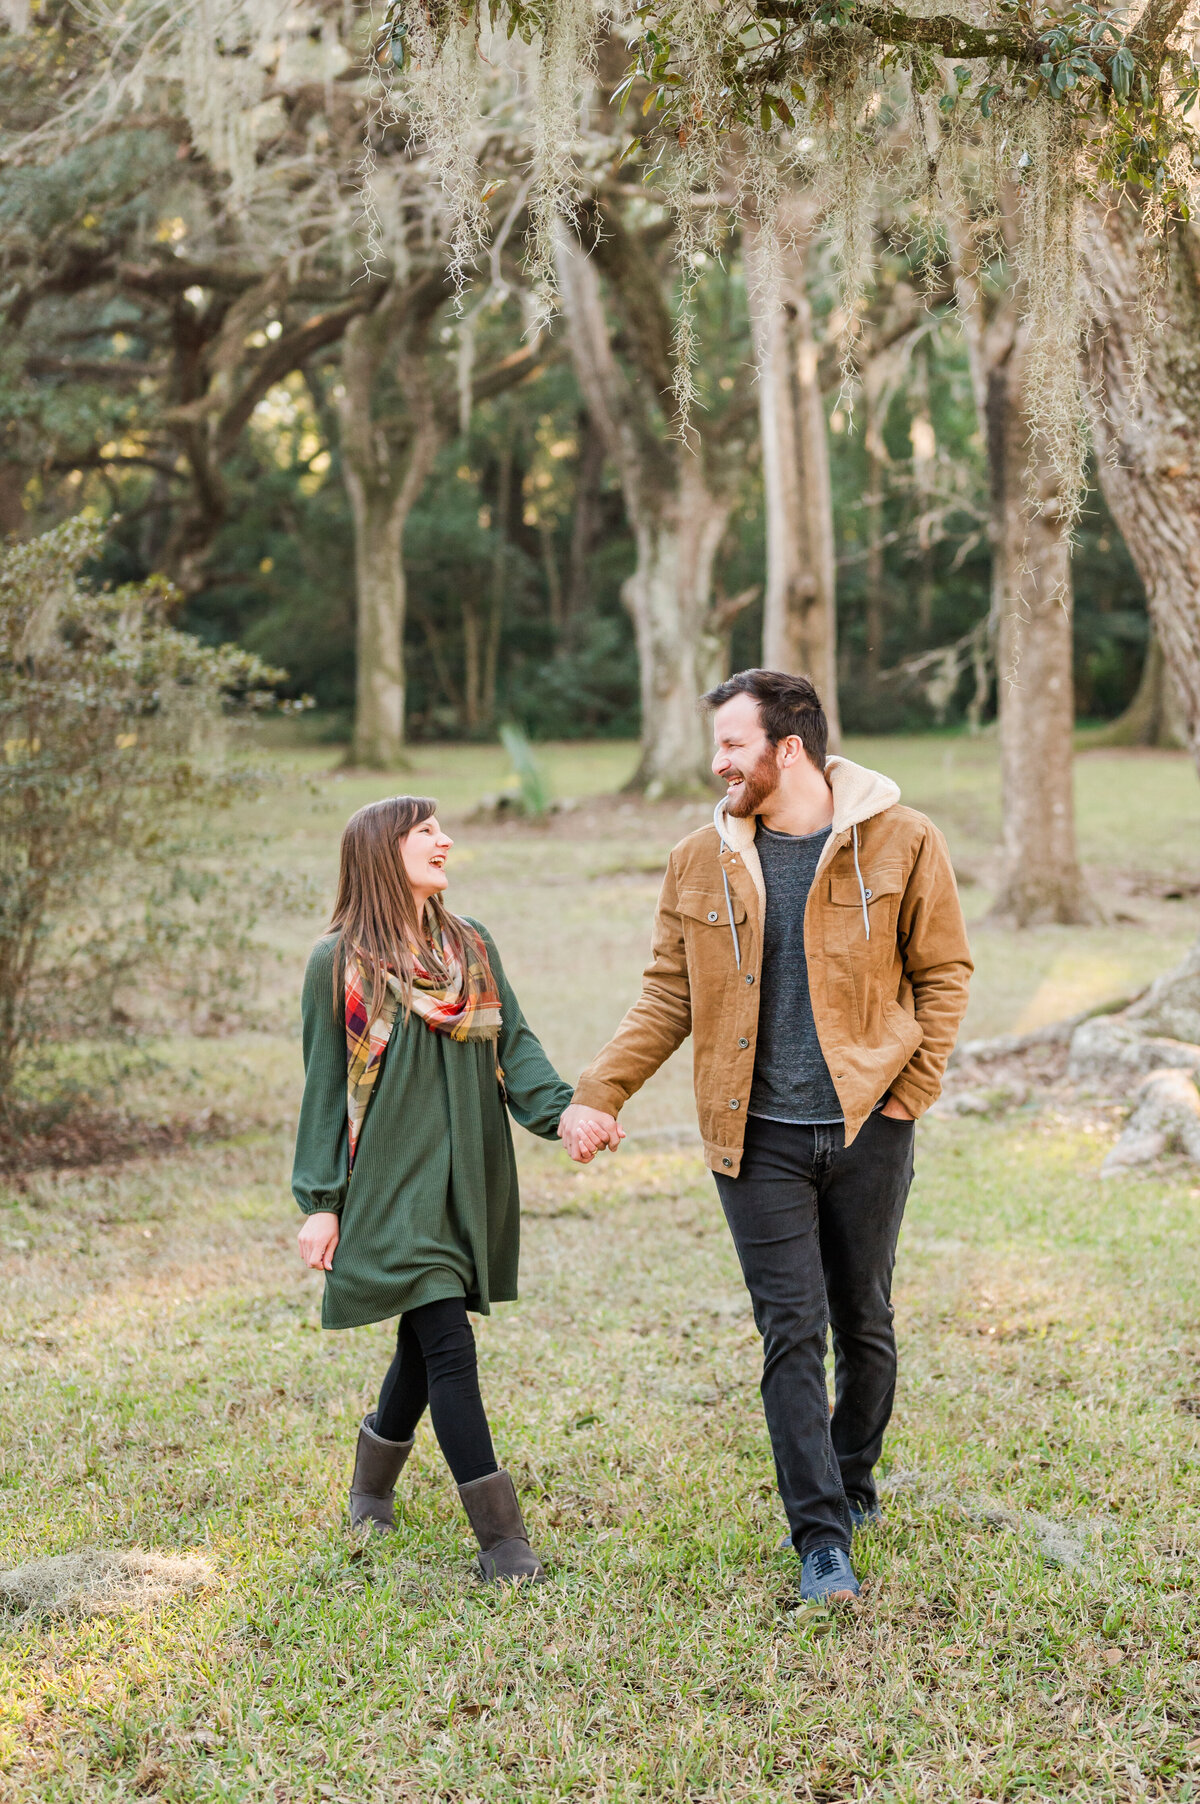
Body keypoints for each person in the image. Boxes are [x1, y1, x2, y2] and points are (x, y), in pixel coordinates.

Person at [560, 670, 972, 1604]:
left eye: (734, 745)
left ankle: (854, 1480)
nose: (718, 763)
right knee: (793, 1330)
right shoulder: (696, 859)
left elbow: (943, 971)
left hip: (871, 1124)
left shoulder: (903, 841)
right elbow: (670, 992)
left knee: (864, 1319)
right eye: (719, 746)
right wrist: (602, 1092)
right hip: (756, 1137)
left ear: (791, 748)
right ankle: (821, 1537)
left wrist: (912, 1090)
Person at [292, 795, 613, 1584]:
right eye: (426, 831)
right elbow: (324, 1087)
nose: (446, 841)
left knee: (423, 1338)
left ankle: (371, 1486)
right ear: (381, 851)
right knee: (448, 1342)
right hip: (390, 1190)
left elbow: (519, 1049)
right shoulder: (336, 963)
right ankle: (504, 1546)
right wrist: (321, 1202)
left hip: (469, 1179)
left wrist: (565, 1113)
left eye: (441, 829)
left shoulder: (473, 948)